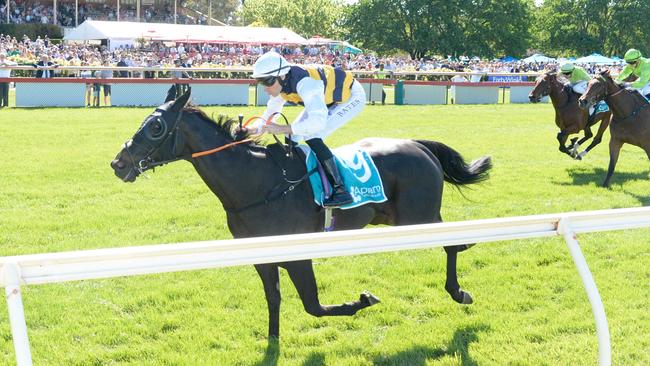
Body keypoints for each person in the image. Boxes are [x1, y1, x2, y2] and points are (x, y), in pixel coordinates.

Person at [250, 51, 366, 207]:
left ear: (282, 76)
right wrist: (253, 129)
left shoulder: (305, 84)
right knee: (293, 138)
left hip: (351, 96)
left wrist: (284, 128)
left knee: (312, 135)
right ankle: (297, 179)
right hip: (325, 98)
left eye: (267, 82)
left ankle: (341, 190)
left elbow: (316, 122)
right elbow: (269, 115)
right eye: (261, 82)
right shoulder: (281, 85)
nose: (265, 88)